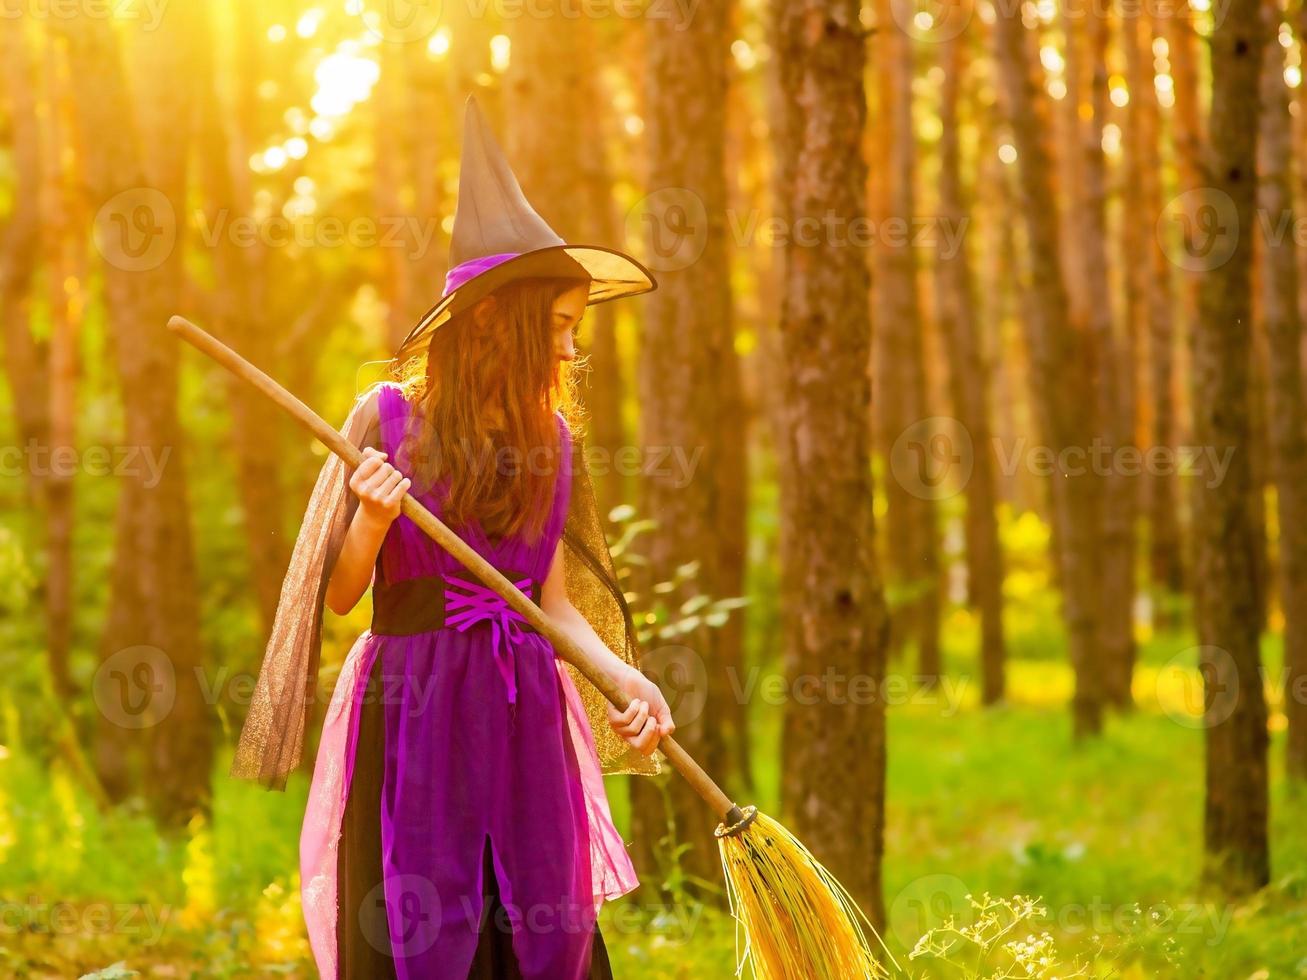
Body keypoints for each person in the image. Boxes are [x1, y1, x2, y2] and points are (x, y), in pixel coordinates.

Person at [235, 95, 674, 980]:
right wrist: (372, 518)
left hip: (521, 711)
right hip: (414, 705)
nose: (569, 352)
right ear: (496, 327)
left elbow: (551, 607)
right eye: (555, 328)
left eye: (573, 331)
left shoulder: (552, 444)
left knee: (537, 916)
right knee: (424, 916)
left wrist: (624, 675)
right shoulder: (387, 418)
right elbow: (343, 592)